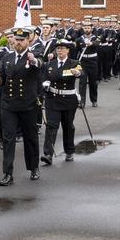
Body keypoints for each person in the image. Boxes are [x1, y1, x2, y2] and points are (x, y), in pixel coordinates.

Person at [0, 29, 44, 186]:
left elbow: (40, 65)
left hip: (27, 104)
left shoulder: (34, 56)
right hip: (9, 104)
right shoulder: (7, 57)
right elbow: (4, 78)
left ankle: (34, 167)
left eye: (22, 40)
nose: (18, 43)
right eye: (16, 40)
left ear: (28, 41)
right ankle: (7, 173)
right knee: (8, 139)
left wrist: (33, 60)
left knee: (30, 137)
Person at [42, 38, 83, 166]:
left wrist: (77, 73)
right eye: (58, 48)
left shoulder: (74, 63)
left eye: (63, 48)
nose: (60, 50)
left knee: (68, 126)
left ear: (68, 50)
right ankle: (48, 153)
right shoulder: (50, 64)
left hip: (68, 101)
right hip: (53, 99)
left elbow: (82, 73)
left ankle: (69, 151)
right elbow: (44, 77)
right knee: (51, 126)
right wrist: (45, 83)